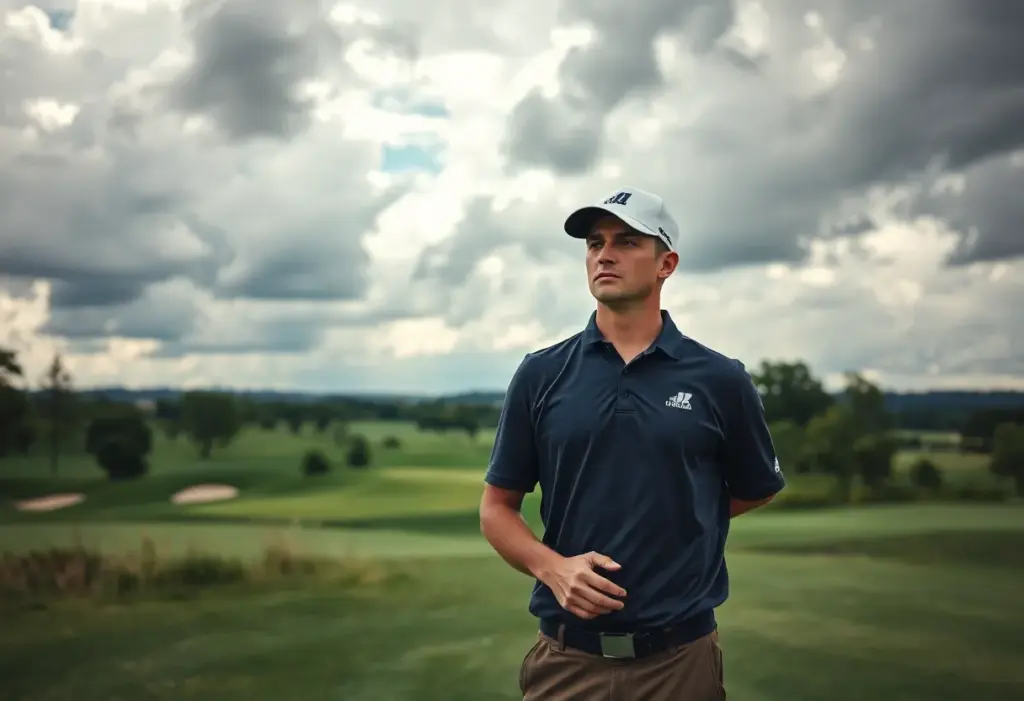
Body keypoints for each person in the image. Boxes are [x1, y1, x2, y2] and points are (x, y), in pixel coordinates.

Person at [478, 186, 786, 700]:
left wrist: (681, 517)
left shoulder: (720, 378)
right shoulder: (542, 373)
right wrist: (552, 567)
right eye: (594, 243)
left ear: (667, 263)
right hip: (567, 662)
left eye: (625, 242)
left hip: (681, 663)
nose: (604, 254)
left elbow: (757, 486)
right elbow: (496, 509)